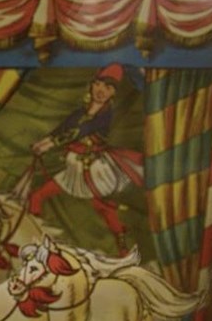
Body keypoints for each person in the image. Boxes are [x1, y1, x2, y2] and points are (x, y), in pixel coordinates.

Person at [27, 64, 142, 255]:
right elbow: (61, 130)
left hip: (94, 169)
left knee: (103, 207)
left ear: (113, 93)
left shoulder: (105, 115)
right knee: (37, 196)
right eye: (98, 84)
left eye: (108, 87)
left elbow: (78, 132)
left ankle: (122, 248)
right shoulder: (79, 113)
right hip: (74, 168)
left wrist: (49, 145)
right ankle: (35, 239)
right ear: (91, 85)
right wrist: (41, 143)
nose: (101, 91)